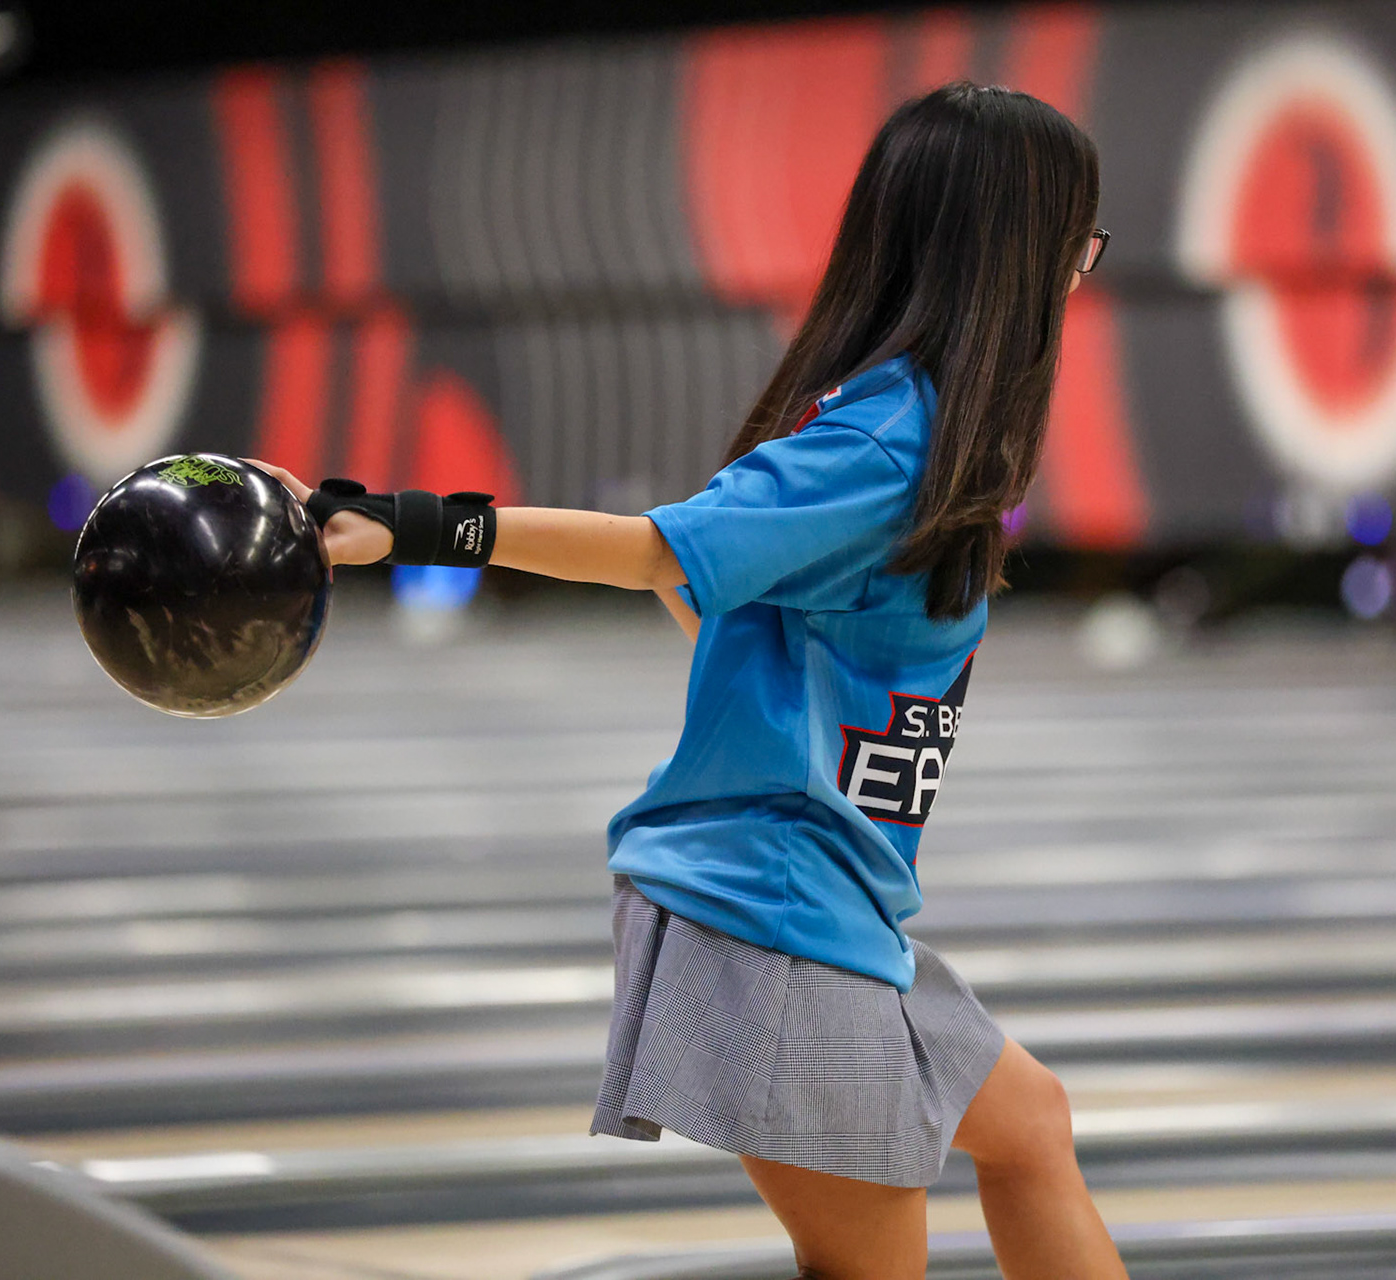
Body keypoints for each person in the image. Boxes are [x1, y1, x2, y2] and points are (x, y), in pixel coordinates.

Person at [257, 81, 1125, 1280]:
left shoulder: (909, 426)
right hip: (771, 915)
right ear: (1016, 250)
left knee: (1028, 1126)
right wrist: (418, 528)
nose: (1084, 267)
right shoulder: (884, 446)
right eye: (1078, 237)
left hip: (831, 900)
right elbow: (663, 552)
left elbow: (722, 605)